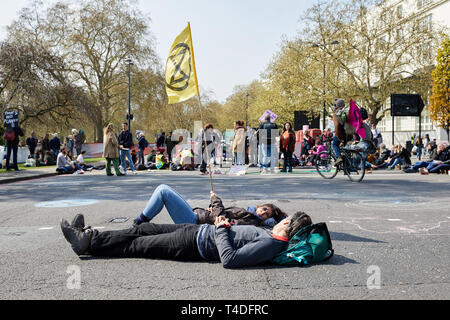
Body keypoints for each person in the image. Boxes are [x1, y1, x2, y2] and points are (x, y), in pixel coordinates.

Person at [60, 210, 310, 269]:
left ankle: (86, 243)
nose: (280, 219)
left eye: (285, 219)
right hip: (195, 231)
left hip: (193, 245)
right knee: (142, 230)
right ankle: (92, 236)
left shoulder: (272, 244)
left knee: (137, 246)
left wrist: (222, 228)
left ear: (288, 224)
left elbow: (230, 260)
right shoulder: (270, 233)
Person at [132, 184, 288, 228]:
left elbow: (222, 218)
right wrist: (213, 206)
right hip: (197, 216)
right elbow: (219, 213)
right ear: (260, 206)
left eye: (267, 215)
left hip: (194, 222)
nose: (263, 213)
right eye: (264, 209)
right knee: (166, 190)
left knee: (163, 191)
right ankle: (142, 222)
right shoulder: (249, 213)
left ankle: (139, 222)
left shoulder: (253, 221)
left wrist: (215, 199)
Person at [331, 99, 355, 166]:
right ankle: (349, 167)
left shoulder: (336, 114)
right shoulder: (347, 112)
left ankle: (338, 158)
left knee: (335, 144)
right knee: (346, 149)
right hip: (349, 133)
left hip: (341, 134)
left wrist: (339, 137)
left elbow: (337, 126)